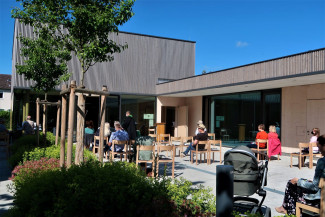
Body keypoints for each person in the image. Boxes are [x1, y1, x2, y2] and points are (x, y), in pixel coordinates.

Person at [275, 135, 325, 215]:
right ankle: (287, 209)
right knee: (299, 182)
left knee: (291, 183)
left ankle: (288, 210)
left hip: (320, 200)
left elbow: (314, 187)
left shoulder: (322, 162)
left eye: (319, 147)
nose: (319, 150)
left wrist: (298, 181)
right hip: (322, 191)